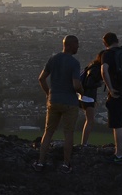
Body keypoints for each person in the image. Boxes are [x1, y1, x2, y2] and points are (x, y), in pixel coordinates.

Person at [36, 35, 85, 171]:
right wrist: (82, 91)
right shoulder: (74, 63)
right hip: (69, 102)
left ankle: (40, 162)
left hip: (53, 100)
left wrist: (48, 93)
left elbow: (41, 79)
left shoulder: (53, 59)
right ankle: (65, 164)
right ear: (69, 45)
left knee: (48, 132)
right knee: (68, 133)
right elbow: (76, 85)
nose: (78, 47)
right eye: (76, 44)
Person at [77, 52, 104, 149]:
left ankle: (84, 142)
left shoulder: (91, 66)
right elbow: (89, 84)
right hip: (88, 97)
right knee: (90, 120)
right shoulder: (96, 69)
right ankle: (84, 143)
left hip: (84, 96)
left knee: (89, 120)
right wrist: (100, 83)